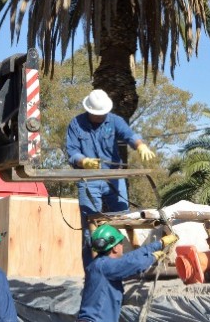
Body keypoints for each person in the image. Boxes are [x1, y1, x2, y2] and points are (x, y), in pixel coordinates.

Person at [66, 89, 156, 269]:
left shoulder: (114, 121)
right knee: (90, 228)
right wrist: (84, 161)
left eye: (103, 114)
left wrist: (141, 146)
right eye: (97, 114)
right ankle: (93, 270)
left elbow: (130, 135)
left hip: (115, 177)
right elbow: (72, 151)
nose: (101, 117)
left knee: (125, 221)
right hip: (88, 180)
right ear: (89, 110)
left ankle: (127, 267)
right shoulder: (76, 124)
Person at [76, 224, 178, 322]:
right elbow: (135, 264)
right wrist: (153, 257)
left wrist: (159, 244)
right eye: (121, 243)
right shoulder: (107, 266)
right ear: (115, 248)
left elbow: (131, 257)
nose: (122, 246)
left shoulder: (100, 263)